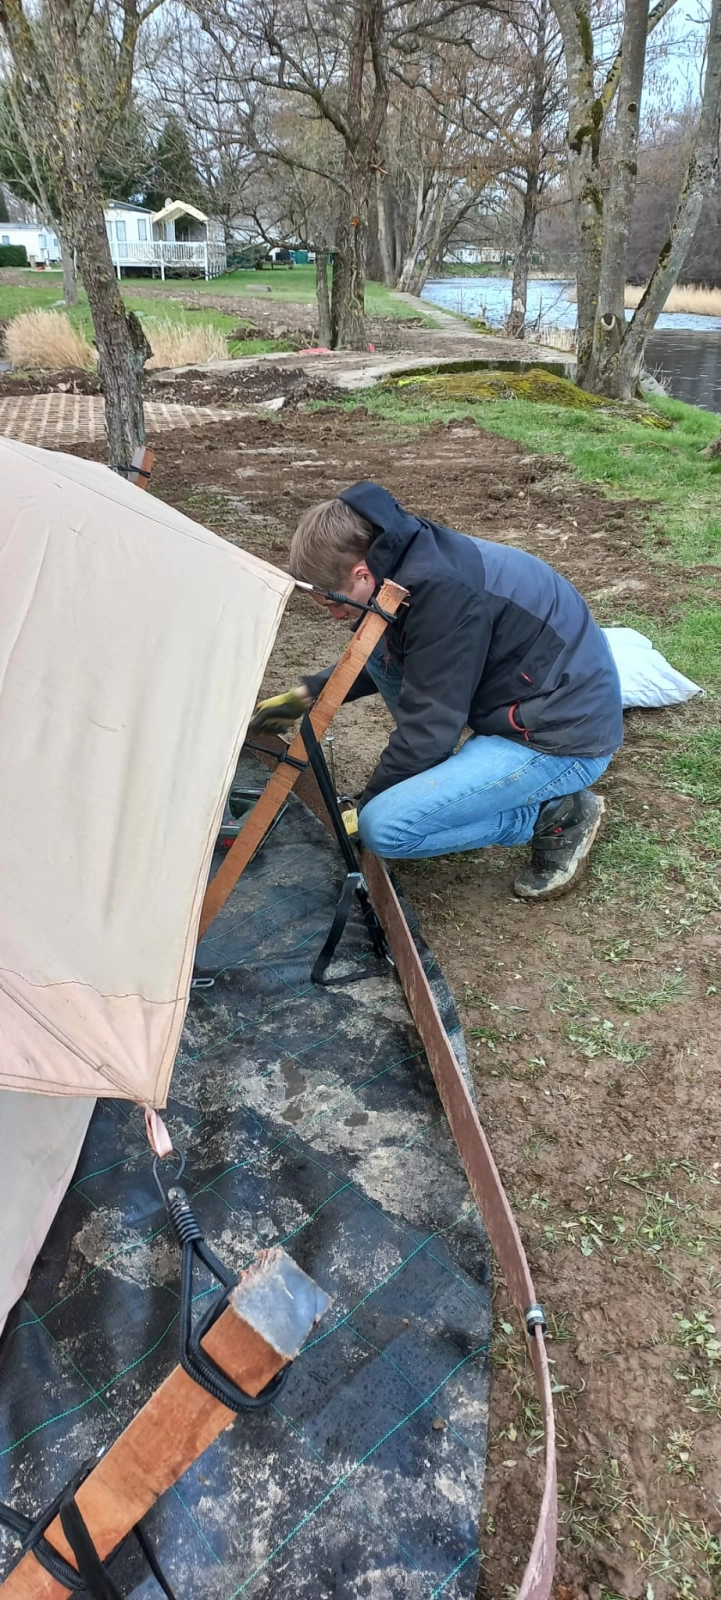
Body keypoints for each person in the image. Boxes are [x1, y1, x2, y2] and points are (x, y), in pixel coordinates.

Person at [251, 482, 623, 901]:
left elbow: (429, 729)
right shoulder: (406, 562)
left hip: (558, 738)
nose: (336, 615)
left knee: (384, 828)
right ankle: (447, 790)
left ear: (361, 573)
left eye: (333, 603)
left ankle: (552, 816)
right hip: (522, 701)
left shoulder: (442, 596)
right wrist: (307, 694)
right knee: (376, 645)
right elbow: (391, 659)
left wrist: (366, 808)